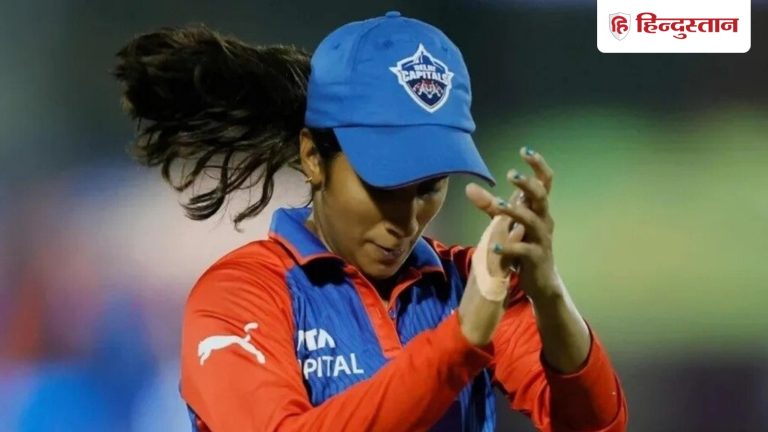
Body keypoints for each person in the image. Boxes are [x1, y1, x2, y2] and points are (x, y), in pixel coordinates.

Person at [114, 11, 628, 432]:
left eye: (428, 187)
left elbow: (595, 426)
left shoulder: (471, 285)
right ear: (313, 157)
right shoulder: (240, 295)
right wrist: (459, 342)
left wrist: (549, 294)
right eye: (383, 186)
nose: (405, 220)